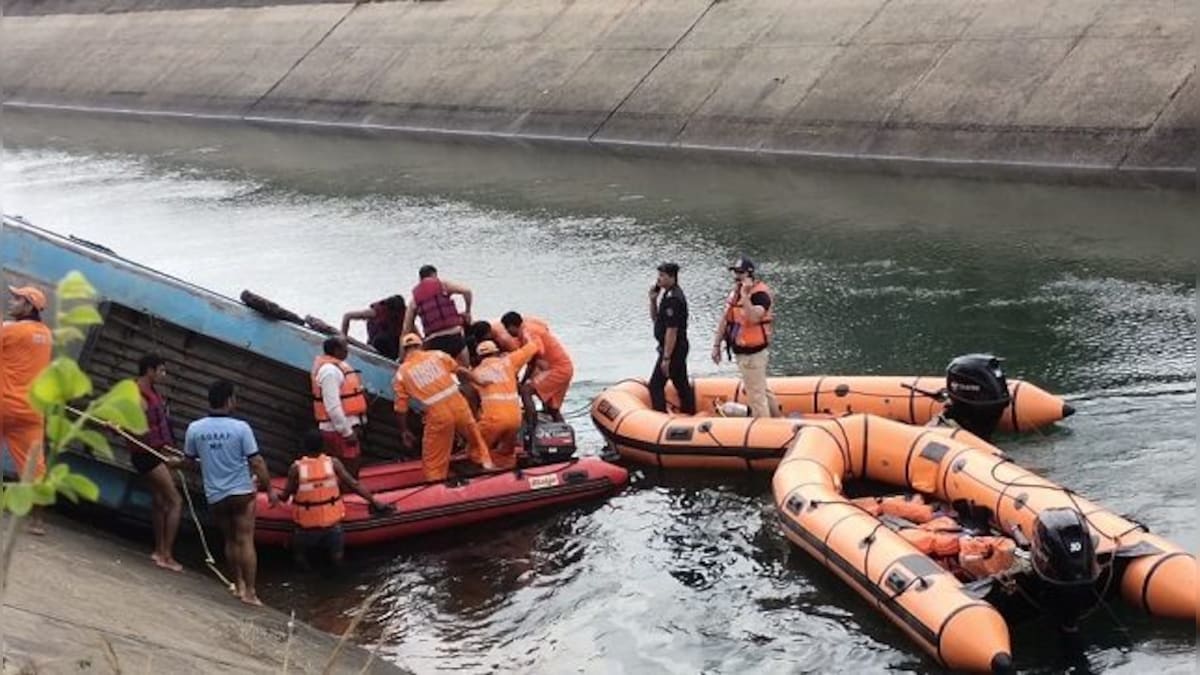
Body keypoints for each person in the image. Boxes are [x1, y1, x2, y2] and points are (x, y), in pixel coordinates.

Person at [176, 380, 280, 606]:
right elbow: (257, 461)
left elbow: (189, 462)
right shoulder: (241, 428)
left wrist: (175, 463)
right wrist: (270, 490)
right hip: (242, 493)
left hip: (216, 496)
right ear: (229, 400)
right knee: (245, 540)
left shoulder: (195, 428)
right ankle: (251, 593)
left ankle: (238, 585)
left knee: (230, 540)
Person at [278, 429, 392, 571]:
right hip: (333, 527)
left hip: (306, 529)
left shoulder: (296, 468)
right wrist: (374, 501)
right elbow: (353, 484)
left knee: (300, 558)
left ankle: (307, 577)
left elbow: (285, 495)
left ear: (304, 447)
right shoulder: (333, 463)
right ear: (323, 446)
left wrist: (274, 495)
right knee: (337, 559)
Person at [393, 334, 494, 481]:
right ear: (420, 345)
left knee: (433, 458)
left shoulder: (401, 374)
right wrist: (479, 381)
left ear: (404, 350)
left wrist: (404, 431)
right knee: (476, 439)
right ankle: (486, 466)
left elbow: (400, 408)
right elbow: (460, 370)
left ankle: (436, 483)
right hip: (459, 406)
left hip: (437, 414)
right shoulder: (437, 355)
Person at [1, 286, 53, 535]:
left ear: (29, 306)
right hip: (31, 412)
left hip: (3, 405)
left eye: (17, 299)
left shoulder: (9, 330)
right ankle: (38, 522)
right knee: (35, 468)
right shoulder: (46, 335)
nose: (11, 302)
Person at [133, 354, 183, 572]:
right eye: (162, 370)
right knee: (175, 501)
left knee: (161, 500)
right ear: (150, 370)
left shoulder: (153, 394)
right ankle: (166, 554)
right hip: (146, 455)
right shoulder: (136, 394)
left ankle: (159, 550)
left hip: (155, 452)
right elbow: (136, 425)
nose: (164, 374)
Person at [712, 256, 776, 418]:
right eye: (734, 272)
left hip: (753, 353)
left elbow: (754, 317)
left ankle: (764, 433)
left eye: (740, 272)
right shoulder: (735, 293)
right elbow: (725, 319)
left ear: (749, 274)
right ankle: (777, 420)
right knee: (762, 390)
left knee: (756, 396)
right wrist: (717, 344)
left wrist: (745, 296)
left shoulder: (760, 294)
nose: (736, 276)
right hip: (741, 351)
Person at [471, 338, 542, 468]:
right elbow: (532, 346)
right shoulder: (509, 362)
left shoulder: (476, 374)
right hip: (516, 419)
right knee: (506, 452)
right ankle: (509, 473)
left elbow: (472, 400)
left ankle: (485, 473)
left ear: (478, 357)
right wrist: (526, 334)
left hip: (493, 420)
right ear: (497, 352)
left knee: (475, 450)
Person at [500, 312, 574, 422]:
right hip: (564, 367)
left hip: (557, 369)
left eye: (507, 329)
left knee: (526, 391)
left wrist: (524, 381)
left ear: (511, 326)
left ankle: (531, 425)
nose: (508, 333)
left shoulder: (528, 332)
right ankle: (561, 428)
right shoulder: (528, 327)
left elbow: (536, 353)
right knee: (552, 408)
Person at [311, 336, 368, 478]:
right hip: (338, 431)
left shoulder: (339, 367)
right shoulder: (329, 371)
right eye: (345, 348)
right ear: (336, 350)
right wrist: (347, 432)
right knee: (349, 472)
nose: (347, 351)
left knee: (352, 470)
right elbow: (333, 407)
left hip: (345, 428)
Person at [648, 263, 696, 415]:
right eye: (659, 275)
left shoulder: (674, 299)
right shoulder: (667, 295)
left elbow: (672, 330)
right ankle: (689, 411)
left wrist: (666, 357)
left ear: (672, 277)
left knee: (655, 385)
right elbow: (656, 319)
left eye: (662, 276)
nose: (659, 279)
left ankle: (659, 417)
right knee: (681, 383)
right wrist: (652, 301)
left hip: (674, 348)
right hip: (673, 347)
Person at [402, 265, 473, 365]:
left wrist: (402, 357)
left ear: (420, 279)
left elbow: (406, 328)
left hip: (433, 342)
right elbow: (467, 291)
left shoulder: (414, 300)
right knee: (465, 369)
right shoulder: (443, 285)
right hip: (455, 336)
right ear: (434, 275)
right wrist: (468, 311)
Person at [341, 295, 406, 360]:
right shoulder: (376, 311)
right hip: (376, 347)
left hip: (393, 348)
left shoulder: (403, 314)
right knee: (379, 341)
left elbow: (408, 332)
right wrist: (343, 337)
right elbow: (347, 316)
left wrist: (401, 358)